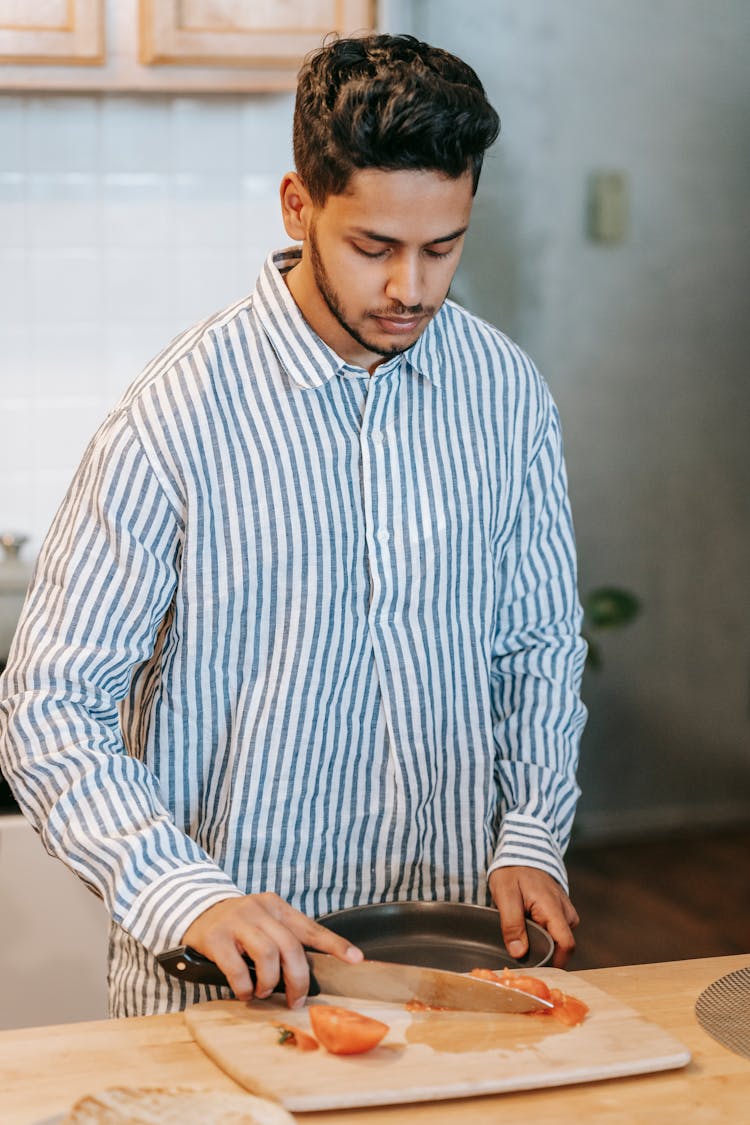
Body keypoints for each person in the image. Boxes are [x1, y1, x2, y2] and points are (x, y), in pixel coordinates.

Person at [0, 33, 587, 1018]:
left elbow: (536, 645)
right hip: (221, 992)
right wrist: (183, 892)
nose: (412, 287)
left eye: (443, 246)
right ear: (297, 205)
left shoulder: (506, 395)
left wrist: (531, 831)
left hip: (441, 973)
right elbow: (50, 705)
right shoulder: (177, 414)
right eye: (374, 247)